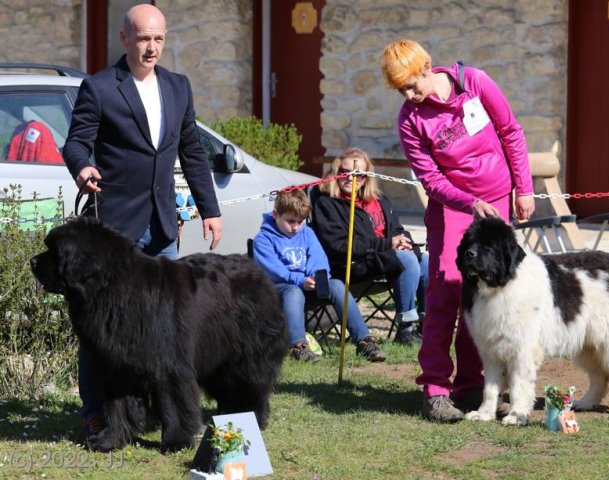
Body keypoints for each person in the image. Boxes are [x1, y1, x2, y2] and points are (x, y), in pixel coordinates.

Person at [63, 4, 223, 438]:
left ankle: (157, 411)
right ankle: (97, 412)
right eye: (143, 39)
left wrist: (210, 208)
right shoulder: (99, 87)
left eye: (158, 39)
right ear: (124, 39)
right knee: (105, 328)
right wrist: (82, 168)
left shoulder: (177, 86)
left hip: (163, 227)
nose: (151, 48)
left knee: (165, 328)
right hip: (116, 230)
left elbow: (192, 150)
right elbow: (75, 143)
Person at [381, 39, 535, 422]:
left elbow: (511, 132)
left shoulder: (475, 83)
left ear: (426, 67)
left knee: (486, 294)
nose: (410, 95)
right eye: (401, 90)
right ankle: (435, 388)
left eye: (412, 84)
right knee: (446, 294)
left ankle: (472, 384)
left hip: (498, 201)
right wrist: (468, 202)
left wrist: (525, 188)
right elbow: (431, 180)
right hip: (453, 209)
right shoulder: (410, 120)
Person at [311, 147, 429, 346]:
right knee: (406, 259)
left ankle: (427, 325)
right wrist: (387, 244)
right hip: (354, 263)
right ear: (336, 173)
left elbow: (398, 230)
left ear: (367, 178)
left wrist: (406, 243)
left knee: (425, 260)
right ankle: (406, 329)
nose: (351, 179)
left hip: (384, 259)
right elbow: (338, 245)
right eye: (345, 173)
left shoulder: (381, 200)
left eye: (358, 175)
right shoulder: (328, 203)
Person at [253, 189, 386, 363]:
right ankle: (298, 347)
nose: (296, 227)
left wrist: (318, 276)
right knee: (293, 291)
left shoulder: (306, 232)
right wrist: (299, 280)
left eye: (300, 222)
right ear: (276, 214)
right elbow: (272, 269)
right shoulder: (263, 238)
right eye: (291, 221)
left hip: (307, 285)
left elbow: (318, 257)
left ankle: (364, 341)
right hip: (279, 290)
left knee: (337, 285)